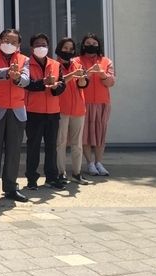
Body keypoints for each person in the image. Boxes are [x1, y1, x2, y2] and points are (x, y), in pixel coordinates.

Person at [0, 29, 30, 204]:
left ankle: (10, 188)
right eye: (6, 40)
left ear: (19, 45)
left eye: (13, 42)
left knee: (13, 152)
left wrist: (17, 78)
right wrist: (8, 72)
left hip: (17, 111)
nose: (9, 44)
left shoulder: (24, 59)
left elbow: (26, 80)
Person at [24, 34, 66, 190]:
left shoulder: (56, 64)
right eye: (37, 44)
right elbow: (27, 84)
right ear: (32, 47)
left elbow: (62, 85)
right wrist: (43, 82)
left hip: (53, 112)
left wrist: (55, 87)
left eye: (44, 44)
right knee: (33, 146)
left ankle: (51, 177)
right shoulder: (26, 64)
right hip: (33, 111)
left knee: (51, 146)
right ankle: (31, 179)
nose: (41, 47)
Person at [79, 33, 116, 176]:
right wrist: (88, 74)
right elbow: (75, 82)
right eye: (88, 43)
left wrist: (103, 75)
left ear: (99, 45)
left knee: (100, 133)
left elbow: (111, 82)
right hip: (83, 102)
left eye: (94, 44)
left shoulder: (106, 61)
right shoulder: (77, 61)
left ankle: (99, 162)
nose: (91, 46)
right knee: (85, 134)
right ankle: (90, 163)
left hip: (102, 102)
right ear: (83, 45)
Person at [54, 37, 89, 185]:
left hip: (78, 109)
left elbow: (83, 84)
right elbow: (58, 83)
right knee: (60, 143)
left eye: (71, 49)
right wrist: (72, 75)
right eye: (65, 48)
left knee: (77, 144)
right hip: (61, 109)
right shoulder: (54, 65)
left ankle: (77, 173)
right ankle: (61, 173)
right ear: (59, 49)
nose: (68, 51)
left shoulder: (78, 64)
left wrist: (82, 78)